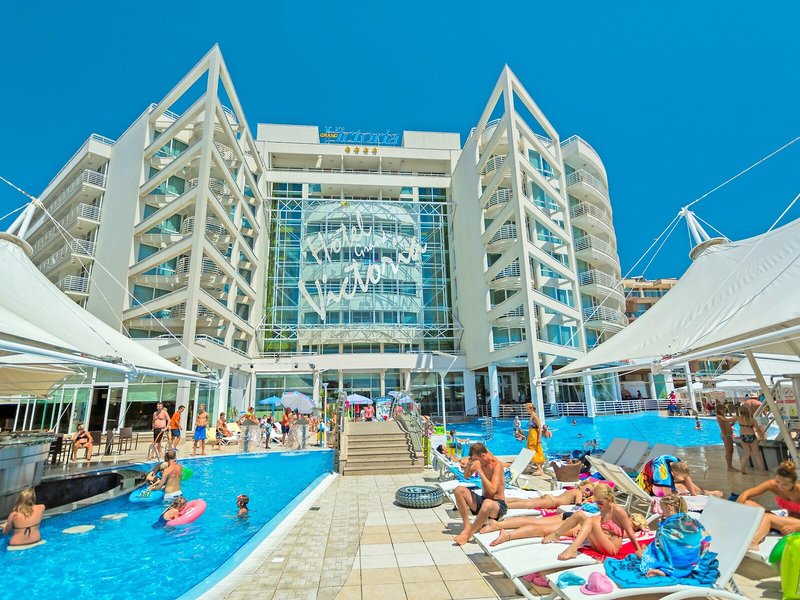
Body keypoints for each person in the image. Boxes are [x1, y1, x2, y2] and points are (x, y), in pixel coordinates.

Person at [542, 483, 643, 561]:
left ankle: (573, 549)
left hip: (611, 549)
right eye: (596, 502)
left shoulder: (618, 511)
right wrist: (584, 532)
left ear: (609, 499)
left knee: (590, 520)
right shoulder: (603, 508)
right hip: (598, 544)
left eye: (600, 502)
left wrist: (638, 550)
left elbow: (630, 532)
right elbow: (598, 526)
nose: (598, 505)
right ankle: (556, 534)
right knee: (579, 514)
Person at [452, 443, 508, 546]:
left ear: (483, 455)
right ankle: (467, 527)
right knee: (459, 490)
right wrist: (469, 465)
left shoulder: (497, 465)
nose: (475, 461)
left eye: (475, 459)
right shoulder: (480, 462)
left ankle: (468, 535)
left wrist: (480, 471)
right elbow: (466, 476)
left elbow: (492, 490)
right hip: (484, 501)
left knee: (487, 503)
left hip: (497, 506)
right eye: (473, 459)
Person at [737, 460, 800, 549]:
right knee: (747, 503)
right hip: (786, 520)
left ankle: (753, 543)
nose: (780, 486)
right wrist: (734, 512)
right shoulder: (772, 485)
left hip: (796, 524)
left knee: (768, 517)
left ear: (794, 483)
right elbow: (745, 494)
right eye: (777, 481)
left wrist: (796, 527)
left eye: (785, 485)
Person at [636, 455, 722, 497]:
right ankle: (706, 493)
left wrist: (693, 494)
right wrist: (679, 491)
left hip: (650, 479)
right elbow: (668, 497)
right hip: (646, 488)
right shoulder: (664, 474)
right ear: (674, 472)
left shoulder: (674, 460)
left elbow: (686, 476)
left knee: (684, 483)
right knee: (682, 485)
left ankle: (705, 493)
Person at [736, 403, 766, 474]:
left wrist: (719, 416)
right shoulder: (752, 420)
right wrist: (762, 438)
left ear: (740, 412)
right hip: (752, 436)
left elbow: (727, 420)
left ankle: (742, 469)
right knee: (756, 455)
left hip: (743, 436)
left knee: (747, 453)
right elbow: (757, 429)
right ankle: (762, 472)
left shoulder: (738, 418)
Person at [714, 402, 737, 471]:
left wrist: (731, 424)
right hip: (726, 435)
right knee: (728, 451)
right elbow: (723, 427)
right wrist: (736, 418)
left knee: (731, 450)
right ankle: (729, 467)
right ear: (719, 410)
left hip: (728, 435)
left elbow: (726, 424)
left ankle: (730, 466)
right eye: (723, 409)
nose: (725, 411)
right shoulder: (719, 417)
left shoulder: (723, 416)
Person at [524, 403, 545, 476]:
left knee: (534, 450)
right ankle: (537, 467)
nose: (526, 410)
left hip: (534, 435)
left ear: (531, 408)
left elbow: (539, 427)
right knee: (531, 450)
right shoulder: (532, 416)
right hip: (531, 434)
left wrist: (539, 438)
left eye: (527, 409)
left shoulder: (535, 416)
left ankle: (540, 469)